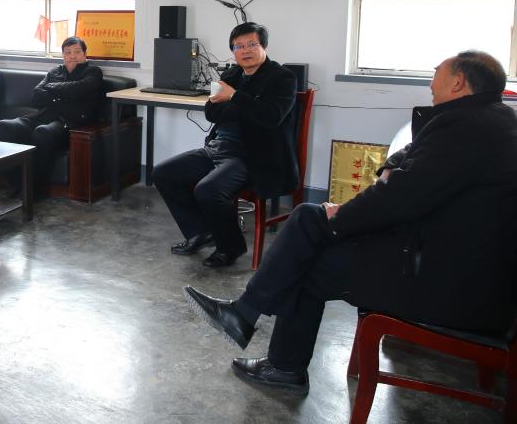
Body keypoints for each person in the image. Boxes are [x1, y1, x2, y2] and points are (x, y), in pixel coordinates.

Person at [184, 50, 517, 394]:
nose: (431, 83)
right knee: (308, 223)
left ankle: (264, 340)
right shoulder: (491, 120)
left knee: (307, 247)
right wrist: (389, 170)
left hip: (446, 283)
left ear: (458, 82)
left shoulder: (465, 128)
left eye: (436, 73)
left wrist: (340, 217)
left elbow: (399, 199)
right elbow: (414, 156)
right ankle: (256, 330)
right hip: (449, 261)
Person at [153, 22, 297, 268]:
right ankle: (199, 232)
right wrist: (244, 103)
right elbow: (211, 112)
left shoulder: (282, 78)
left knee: (208, 190)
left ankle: (230, 247)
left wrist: (234, 97)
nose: (245, 50)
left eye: (251, 44)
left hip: (253, 156)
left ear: (263, 46)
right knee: (163, 173)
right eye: (238, 46)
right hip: (218, 147)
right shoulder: (231, 76)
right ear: (233, 51)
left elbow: (271, 116)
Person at [0, 36, 103, 197]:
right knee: (3, 127)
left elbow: (80, 88)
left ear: (85, 54)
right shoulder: (55, 71)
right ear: (63, 55)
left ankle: (33, 190)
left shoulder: (93, 72)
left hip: (69, 121)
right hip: (43, 115)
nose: (72, 56)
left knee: (42, 132)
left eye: (77, 52)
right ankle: (17, 182)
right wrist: (63, 97)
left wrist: (52, 88)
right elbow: (36, 96)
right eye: (68, 52)